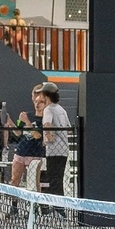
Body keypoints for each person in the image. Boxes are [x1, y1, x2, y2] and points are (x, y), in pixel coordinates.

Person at [7, 88, 48, 214]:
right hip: (21, 151)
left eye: (40, 101)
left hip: (35, 154)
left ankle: (36, 207)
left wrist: (28, 123)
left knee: (34, 183)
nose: (37, 103)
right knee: (15, 180)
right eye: (36, 99)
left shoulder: (45, 119)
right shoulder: (26, 114)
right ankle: (14, 207)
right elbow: (18, 132)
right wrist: (9, 122)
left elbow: (37, 136)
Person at [38, 82, 71, 210]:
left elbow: (47, 124)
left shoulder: (48, 109)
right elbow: (68, 128)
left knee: (53, 180)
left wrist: (48, 137)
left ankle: (58, 208)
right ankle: (60, 207)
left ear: (46, 95)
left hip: (53, 150)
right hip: (63, 149)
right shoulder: (61, 109)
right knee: (59, 178)